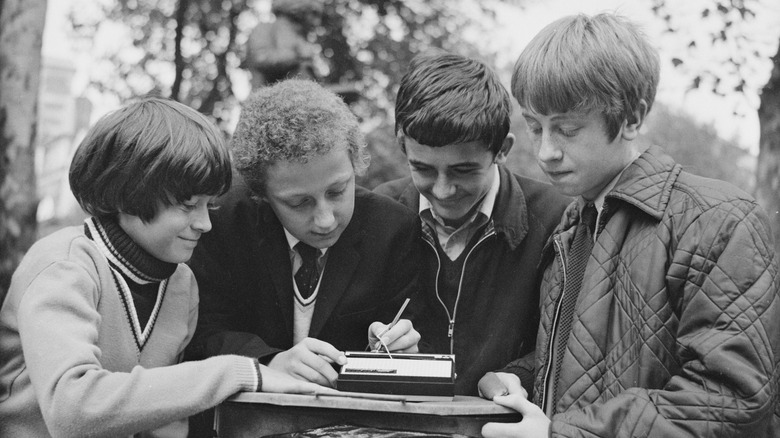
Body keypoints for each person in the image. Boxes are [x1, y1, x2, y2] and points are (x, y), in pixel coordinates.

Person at [481, 13, 780, 438]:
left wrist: (560, 434)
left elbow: (731, 398)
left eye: (566, 129)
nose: (546, 151)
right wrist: (519, 379)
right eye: (534, 127)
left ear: (632, 118)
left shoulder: (718, 219)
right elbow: (591, 359)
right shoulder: (573, 224)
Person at [0, 97, 328, 438]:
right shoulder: (64, 265)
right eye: (188, 206)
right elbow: (73, 409)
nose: (205, 224)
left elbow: (163, 420)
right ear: (129, 194)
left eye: (208, 206)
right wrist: (235, 372)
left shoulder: (180, 283)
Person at [185, 79, 421, 386]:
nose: (325, 220)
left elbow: (419, 340)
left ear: (355, 165)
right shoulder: (223, 223)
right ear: (262, 194)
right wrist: (269, 361)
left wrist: (403, 349)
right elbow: (202, 334)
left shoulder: (393, 229)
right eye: (299, 203)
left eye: (337, 191)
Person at [374, 50, 569, 396]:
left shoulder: (557, 220)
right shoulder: (379, 213)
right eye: (422, 168)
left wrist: (515, 377)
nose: (443, 190)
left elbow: (564, 344)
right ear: (403, 145)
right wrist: (373, 344)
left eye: (463, 170)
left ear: (502, 150)